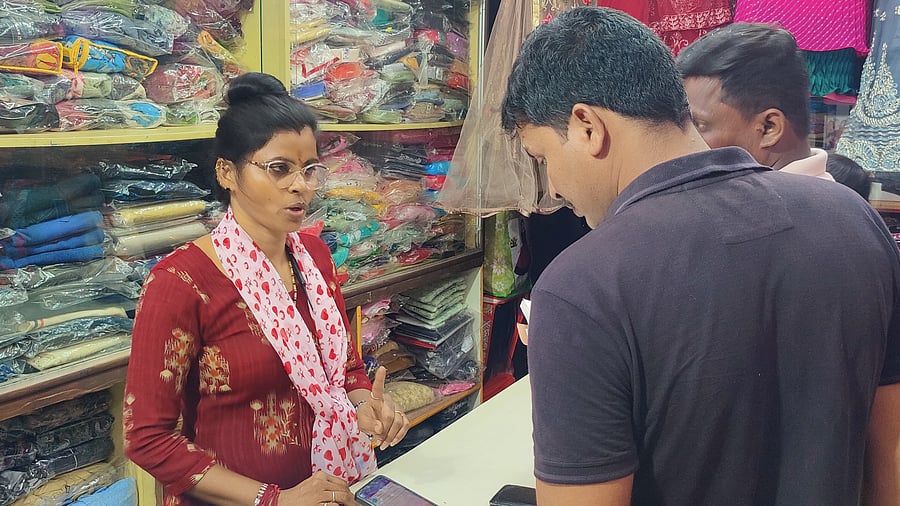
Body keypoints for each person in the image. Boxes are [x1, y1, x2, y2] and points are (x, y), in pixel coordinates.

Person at [501, 7, 900, 506]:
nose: (554, 187)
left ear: (587, 126)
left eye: (542, 159)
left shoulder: (582, 287)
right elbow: (891, 449)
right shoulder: (853, 218)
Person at [124, 72, 409, 506]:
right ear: (227, 172)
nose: (301, 186)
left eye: (310, 169)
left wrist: (364, 404)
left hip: (329, 488)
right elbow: (148, 438)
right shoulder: (182, 282)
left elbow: (342, 368)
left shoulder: (314, 256)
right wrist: (272, 499)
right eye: (279, 169)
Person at [675, 23, 835, 181]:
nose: (681, 138)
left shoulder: (786, 204)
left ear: (769, 128)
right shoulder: (841, 201)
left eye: (698, 126)